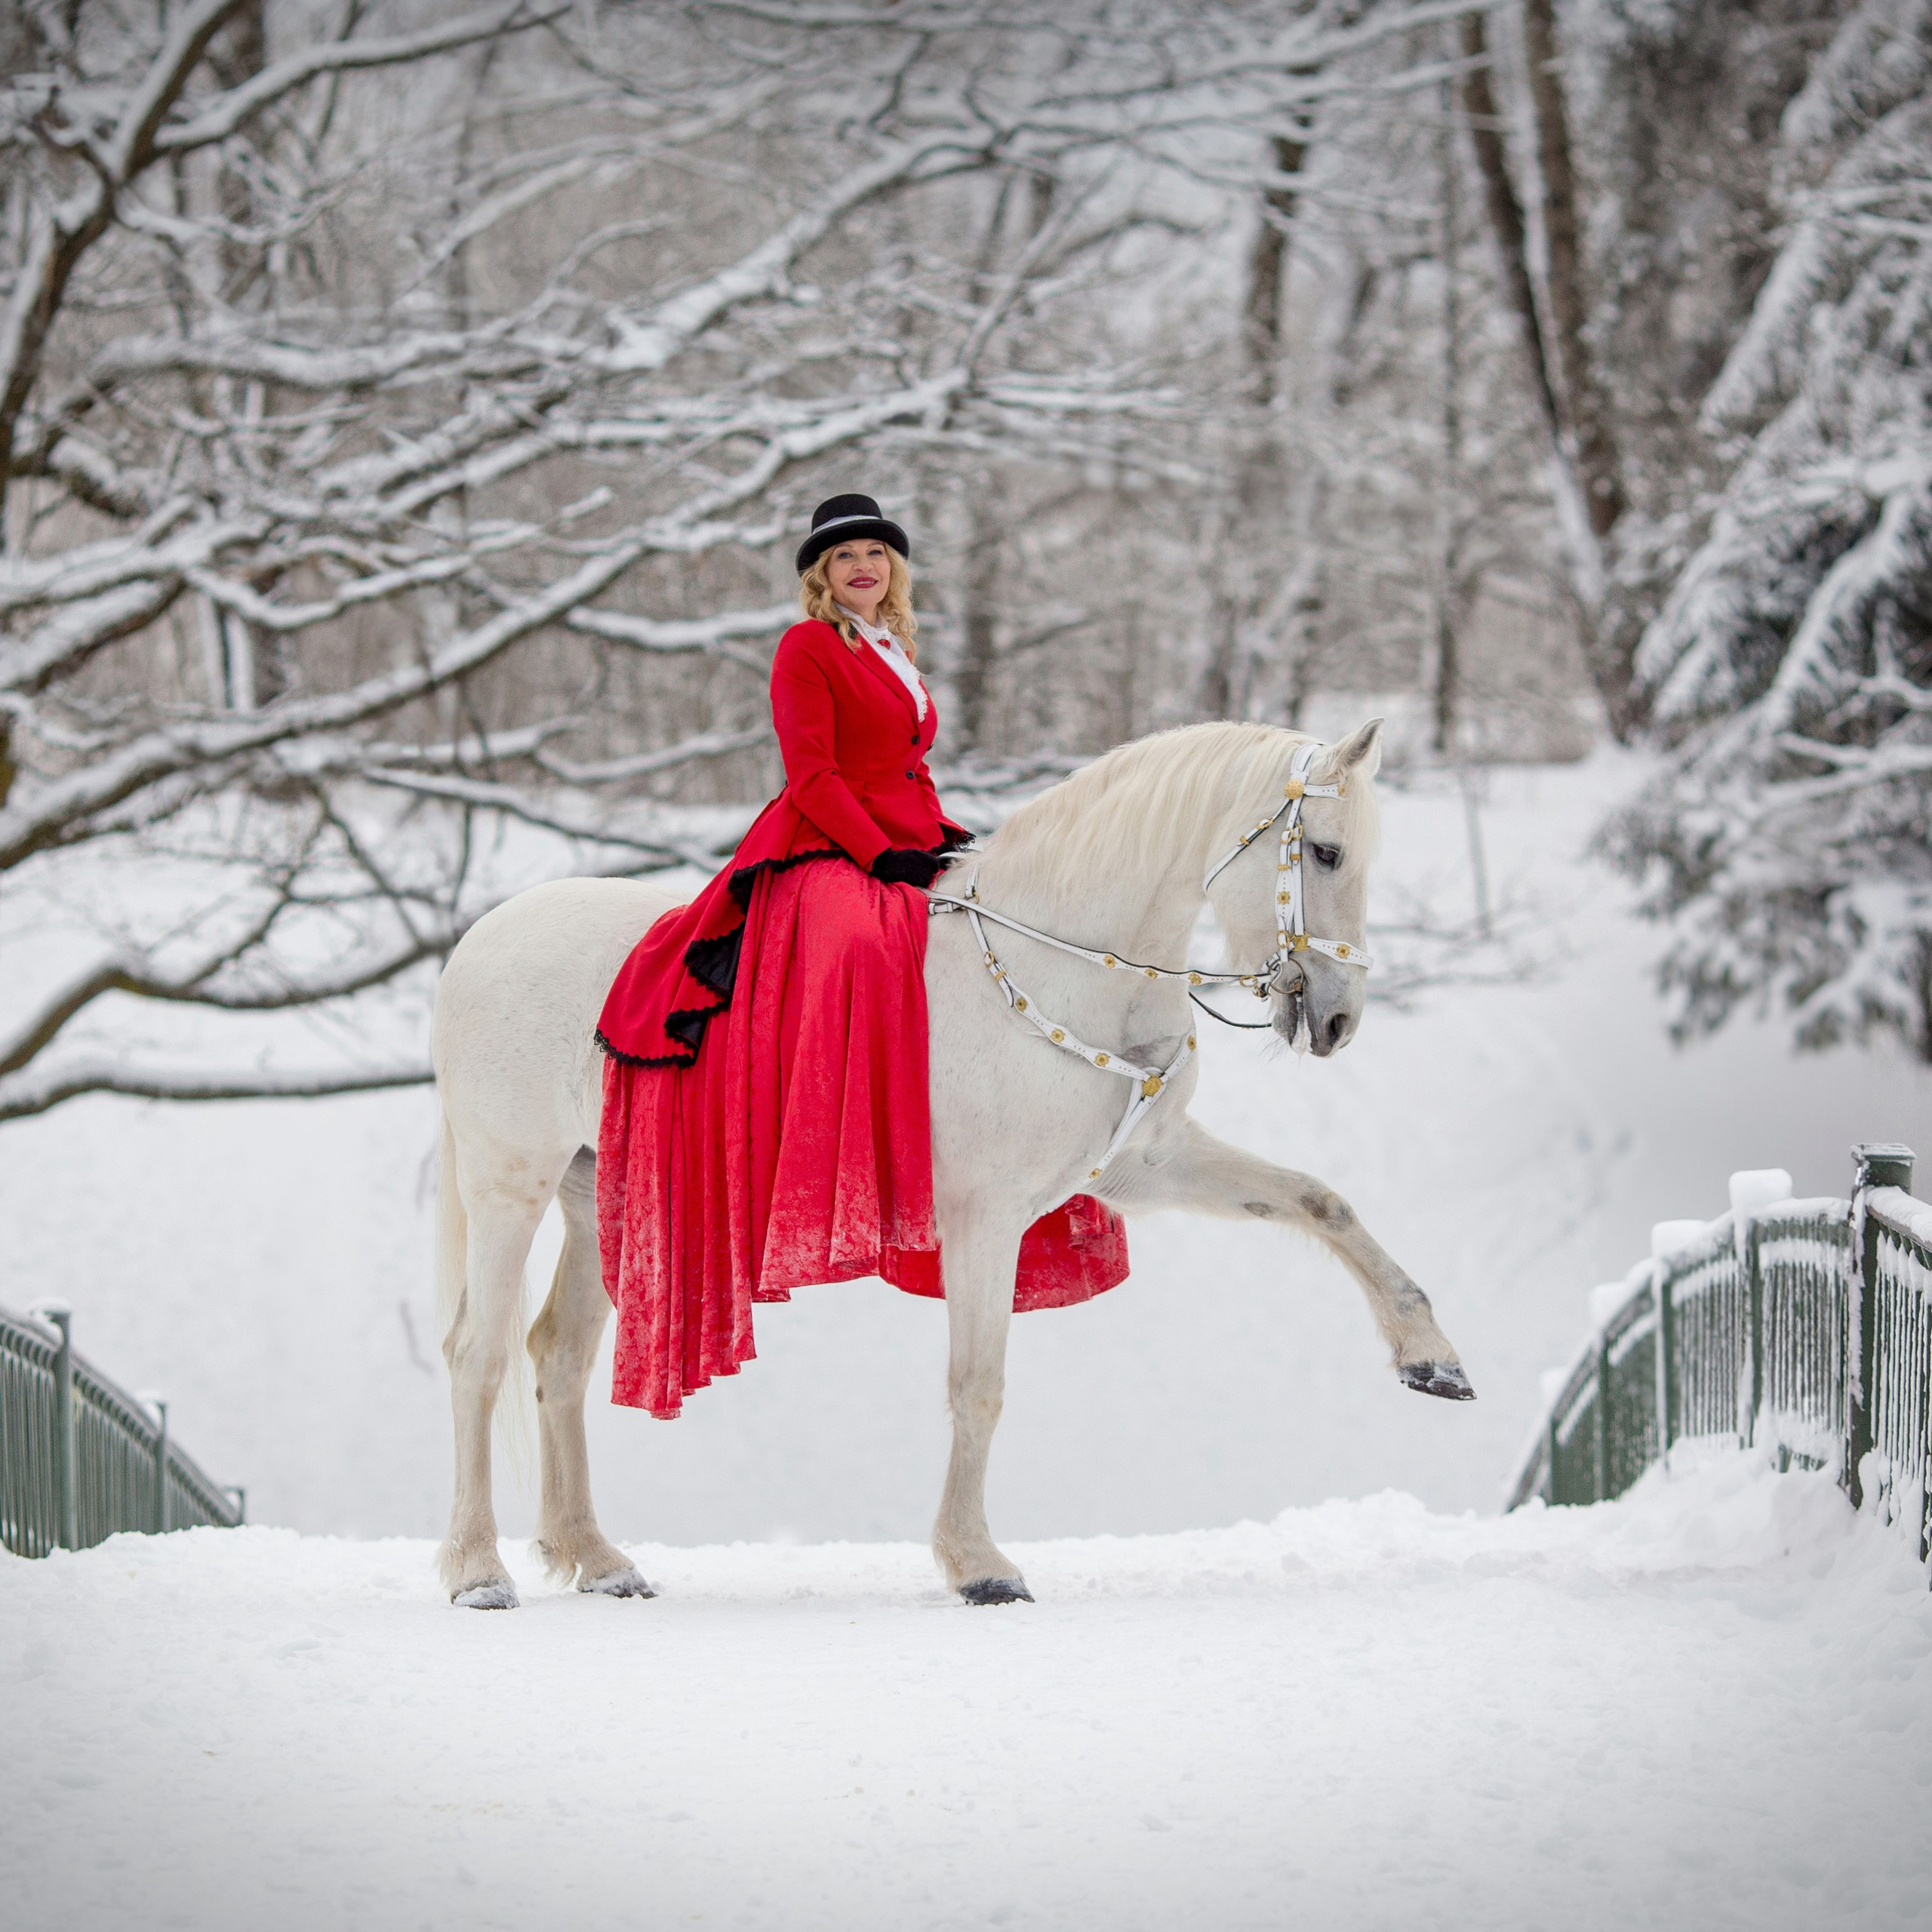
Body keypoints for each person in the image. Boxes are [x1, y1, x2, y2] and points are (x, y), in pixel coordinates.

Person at [595, 494, 1127, 1419]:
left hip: (900, 835)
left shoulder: (897, 648)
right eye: (844, 557)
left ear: (894, 568)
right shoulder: (808, 649)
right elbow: (815, 773)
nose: (863, 567)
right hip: (819, 842)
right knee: (856, 945)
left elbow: (906, 772)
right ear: (821, 575)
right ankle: (830, 1125)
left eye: (876, 553)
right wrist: (879, 854)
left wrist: (951, 841)